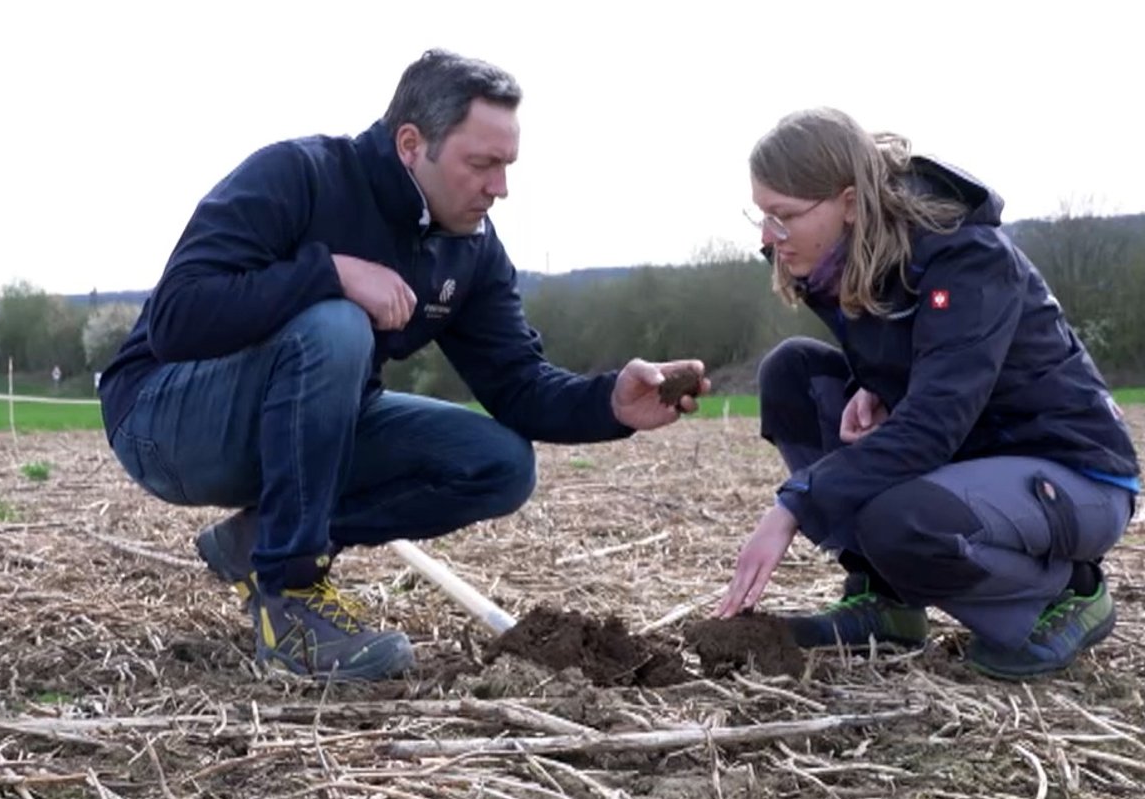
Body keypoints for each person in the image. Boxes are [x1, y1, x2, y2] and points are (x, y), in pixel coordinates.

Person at [97, 49, 708, 682]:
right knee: (335, 322)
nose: (500, 188)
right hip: (166, 419)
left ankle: (260, 541)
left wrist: (610, 402)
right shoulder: (297, 175)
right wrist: (329, 272)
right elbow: (177, 317)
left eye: (507, 166)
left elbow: (518, 383)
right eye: (482, 165)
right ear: (412, 144)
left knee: (501, 465)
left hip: (314, 424)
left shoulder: (469, 248)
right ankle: (290, 601)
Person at [715, 107, 1141, 680]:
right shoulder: (835, 263)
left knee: (902, 524)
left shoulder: (968, 260)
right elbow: (919, 358)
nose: (769, 237)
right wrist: (877, 381)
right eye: (762, 215)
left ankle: (1068, 593)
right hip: (969, 457)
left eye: (785, 216)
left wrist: (794, 504)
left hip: (1070, 472)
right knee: (792, 374)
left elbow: (935, 424)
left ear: (849, 202)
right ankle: (888, 601)